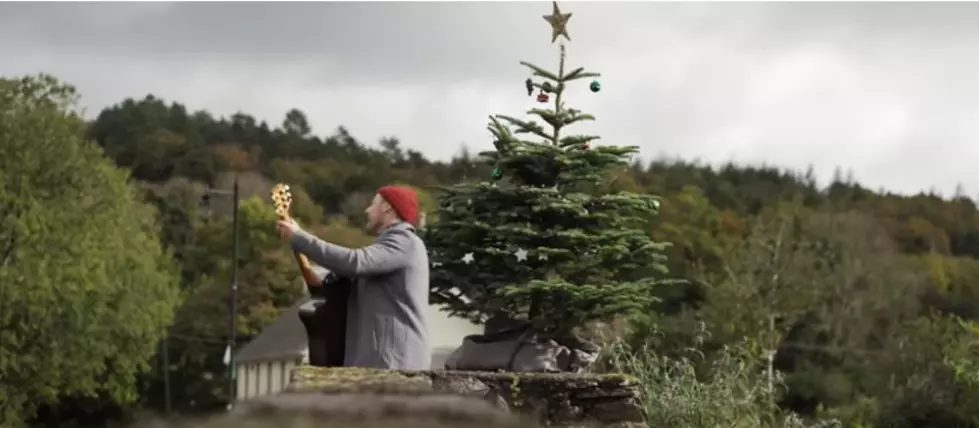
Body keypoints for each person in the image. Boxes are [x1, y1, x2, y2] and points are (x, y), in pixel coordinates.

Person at [277, 185, 431, 370]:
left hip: (393, 365)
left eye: (373, 204)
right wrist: (299, 242)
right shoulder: (390, 247)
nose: (367, 210)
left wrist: (300, 238)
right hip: (383, 363)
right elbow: (336, 282)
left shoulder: (404, 242)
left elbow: (354, 262)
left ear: (387, 207)